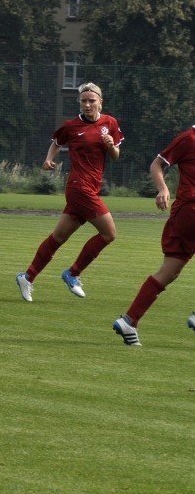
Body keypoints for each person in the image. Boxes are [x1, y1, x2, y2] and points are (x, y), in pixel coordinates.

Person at [15, 82, 123, 302]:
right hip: (79, 187)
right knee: (109, 233)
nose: (87, 104)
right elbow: (56, 142)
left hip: (91, 188)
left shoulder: (109, 123)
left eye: (91, 100)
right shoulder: (72, 126)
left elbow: (115, 156)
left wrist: (111, 145)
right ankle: (72, 273)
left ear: (100, 101)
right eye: (83, 101)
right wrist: (48, 159)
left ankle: (28, 276)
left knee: (59, 237)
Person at [113, 126, 195, 345]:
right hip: (190, 210)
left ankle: (129, 321)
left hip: (184, 215)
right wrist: (163, 189)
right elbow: (157, 164)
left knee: (169, 272)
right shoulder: (189, 138)